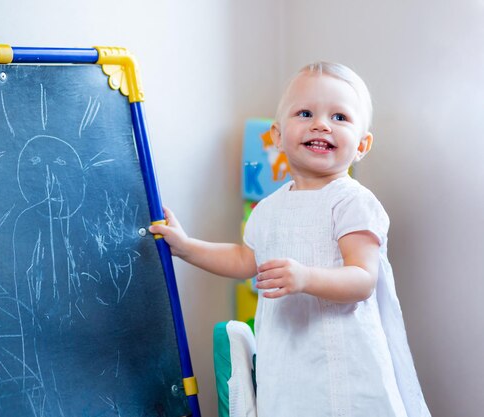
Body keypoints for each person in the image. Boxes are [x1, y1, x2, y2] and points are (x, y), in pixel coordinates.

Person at [149, 62, 431, 416]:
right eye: (306, 112)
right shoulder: (269, 209)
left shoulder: (351, 201)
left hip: (343, 355)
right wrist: (187, 248)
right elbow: (244, 259)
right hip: (288, 359)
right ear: (278, 136)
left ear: (362, 144)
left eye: (340, 117)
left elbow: (362, 278)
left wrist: (306, 277)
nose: (321, 124)